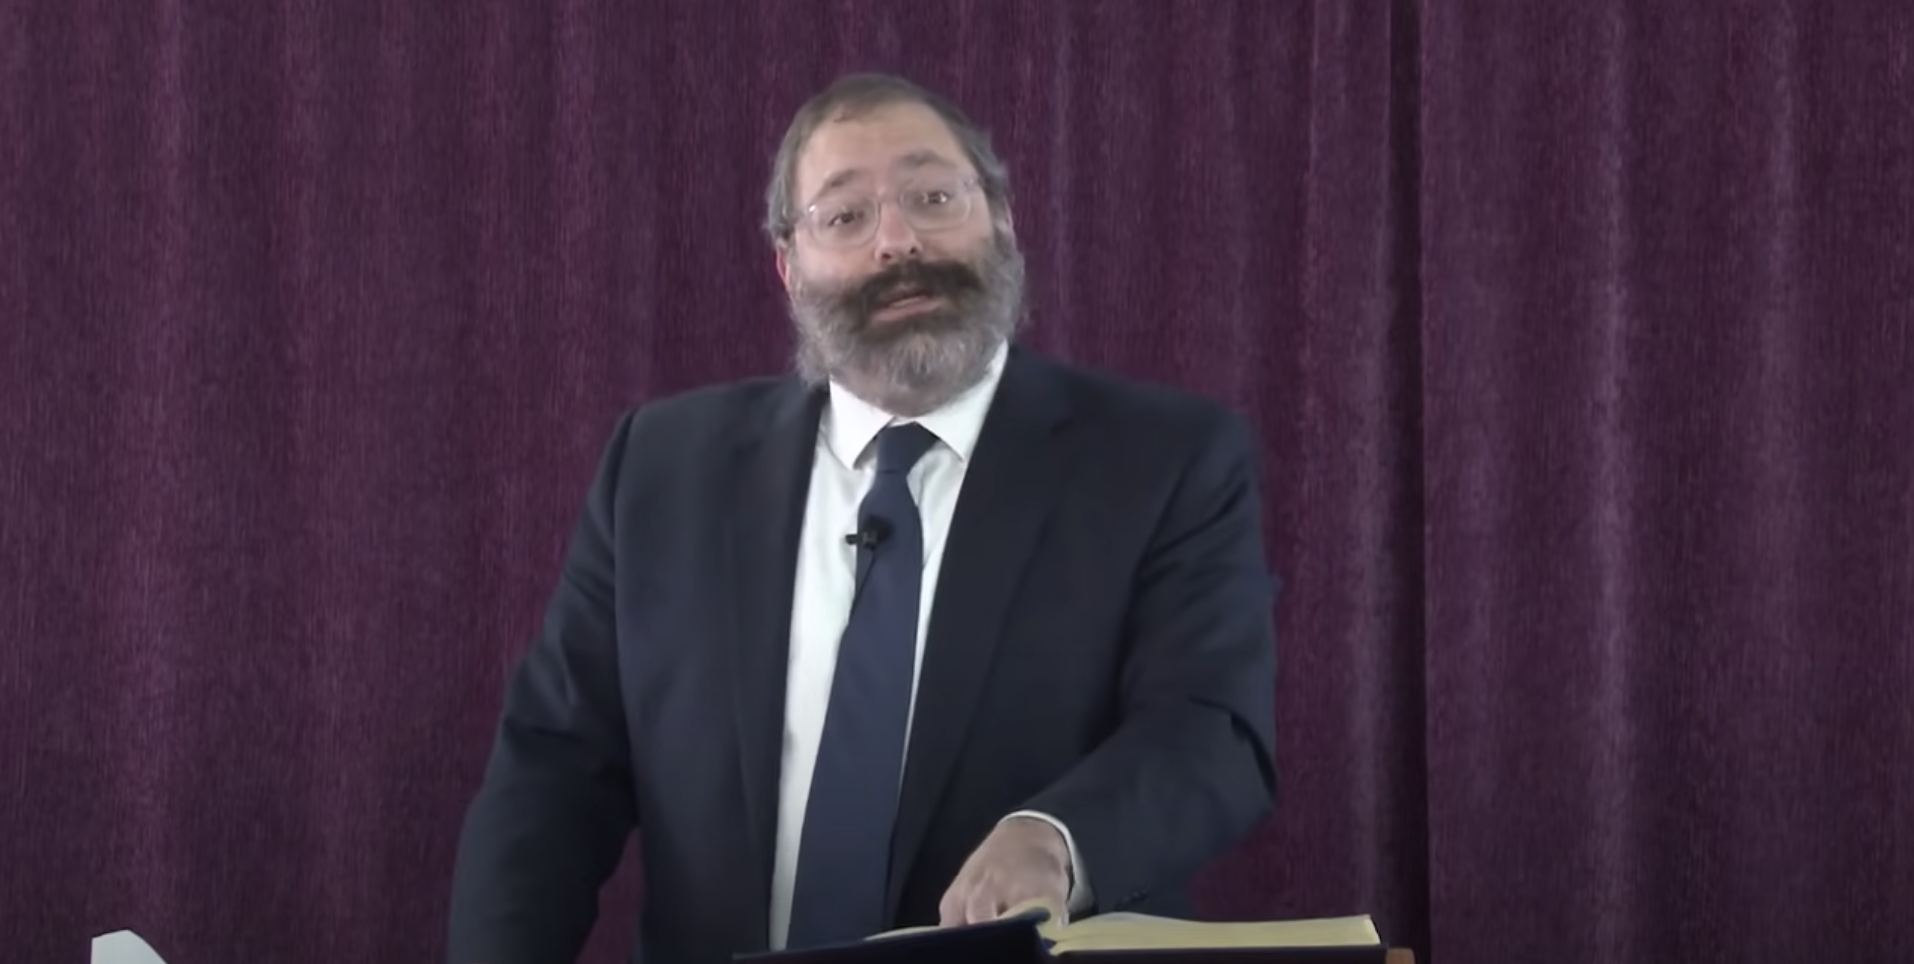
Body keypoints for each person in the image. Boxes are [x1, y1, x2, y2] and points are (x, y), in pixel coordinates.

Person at [445, 72, 1279, 964]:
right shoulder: (660, 469)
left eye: (933, 198)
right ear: (788, 267)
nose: (898, 241)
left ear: (1002, 219)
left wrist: (1059, 838)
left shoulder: (1162, 462)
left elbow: (1211, 729)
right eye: (845, 216)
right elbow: (555, 767)